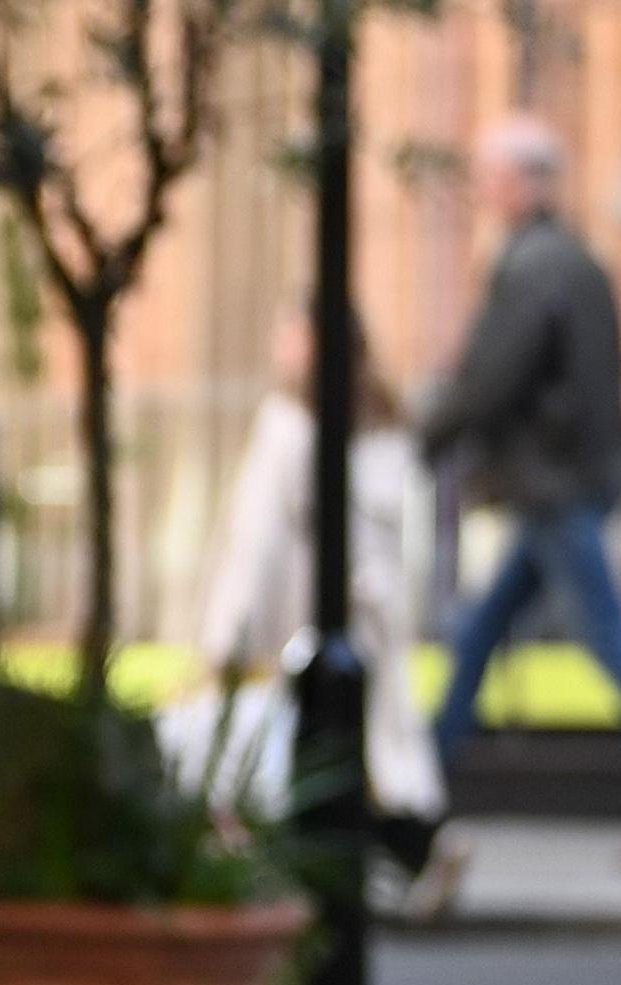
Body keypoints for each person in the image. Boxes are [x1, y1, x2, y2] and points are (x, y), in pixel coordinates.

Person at [424, 115, 621, 866]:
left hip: (554, 487)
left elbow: (494, 374)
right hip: (567, 483)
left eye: (492, 174)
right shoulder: (574, 261)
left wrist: (435, 431)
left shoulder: (534, 267)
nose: (484, 189)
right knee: (477, 637)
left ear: (526, 181)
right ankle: (418, 788)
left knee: (611, 644)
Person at [164, 299, 460, 911]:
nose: (280, 346)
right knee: (385, 750)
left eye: (290, 333)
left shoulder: (289, 422)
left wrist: (227, 640)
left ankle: (370, 863)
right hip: (373, 612)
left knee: (313, 753)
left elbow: (258, 541)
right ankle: (419, 846)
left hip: (308, 619)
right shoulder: (384, 419)